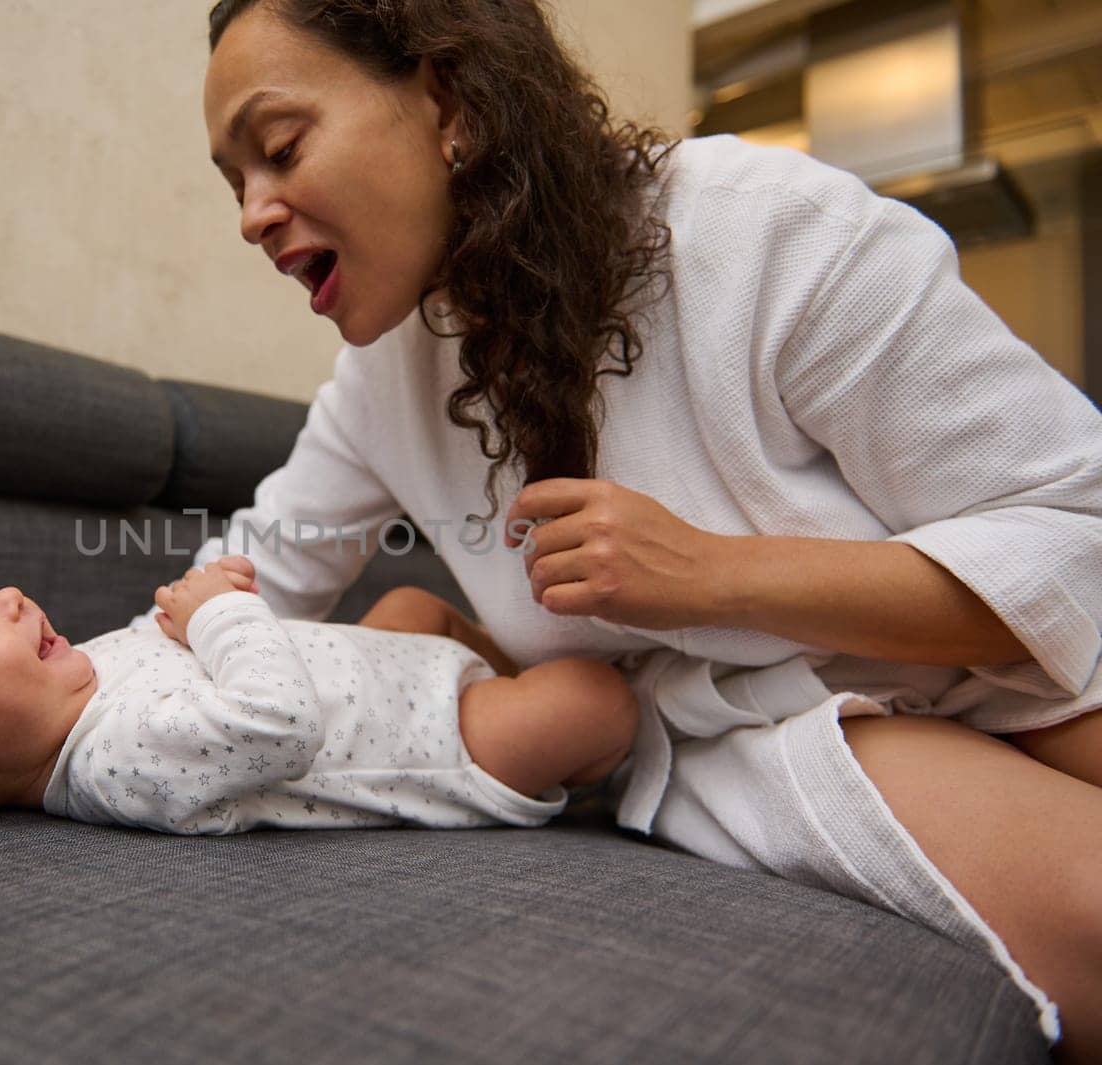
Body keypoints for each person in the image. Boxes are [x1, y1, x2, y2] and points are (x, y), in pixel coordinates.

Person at [188, 0, 1102, 1056]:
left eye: (279, 148)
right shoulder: (379, 385)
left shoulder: (762, 233)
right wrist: (18, 706)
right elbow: (238, 586)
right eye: (234, 183)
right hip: (800, 735)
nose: (253, 213)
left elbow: (1071, 524)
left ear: (446, 101)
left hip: (1019, 663)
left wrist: (718, 577)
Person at [0, 555, 637, 834]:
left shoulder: (76, 680)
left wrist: (193, 597)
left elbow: (168, 637)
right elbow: (276, 726)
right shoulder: (115, 762)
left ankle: (503, 664)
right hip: (434, 739)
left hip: (374, 662)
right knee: (597, 701)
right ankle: (623, 758)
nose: (9, 596)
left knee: (414, 602)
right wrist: (221, 616)